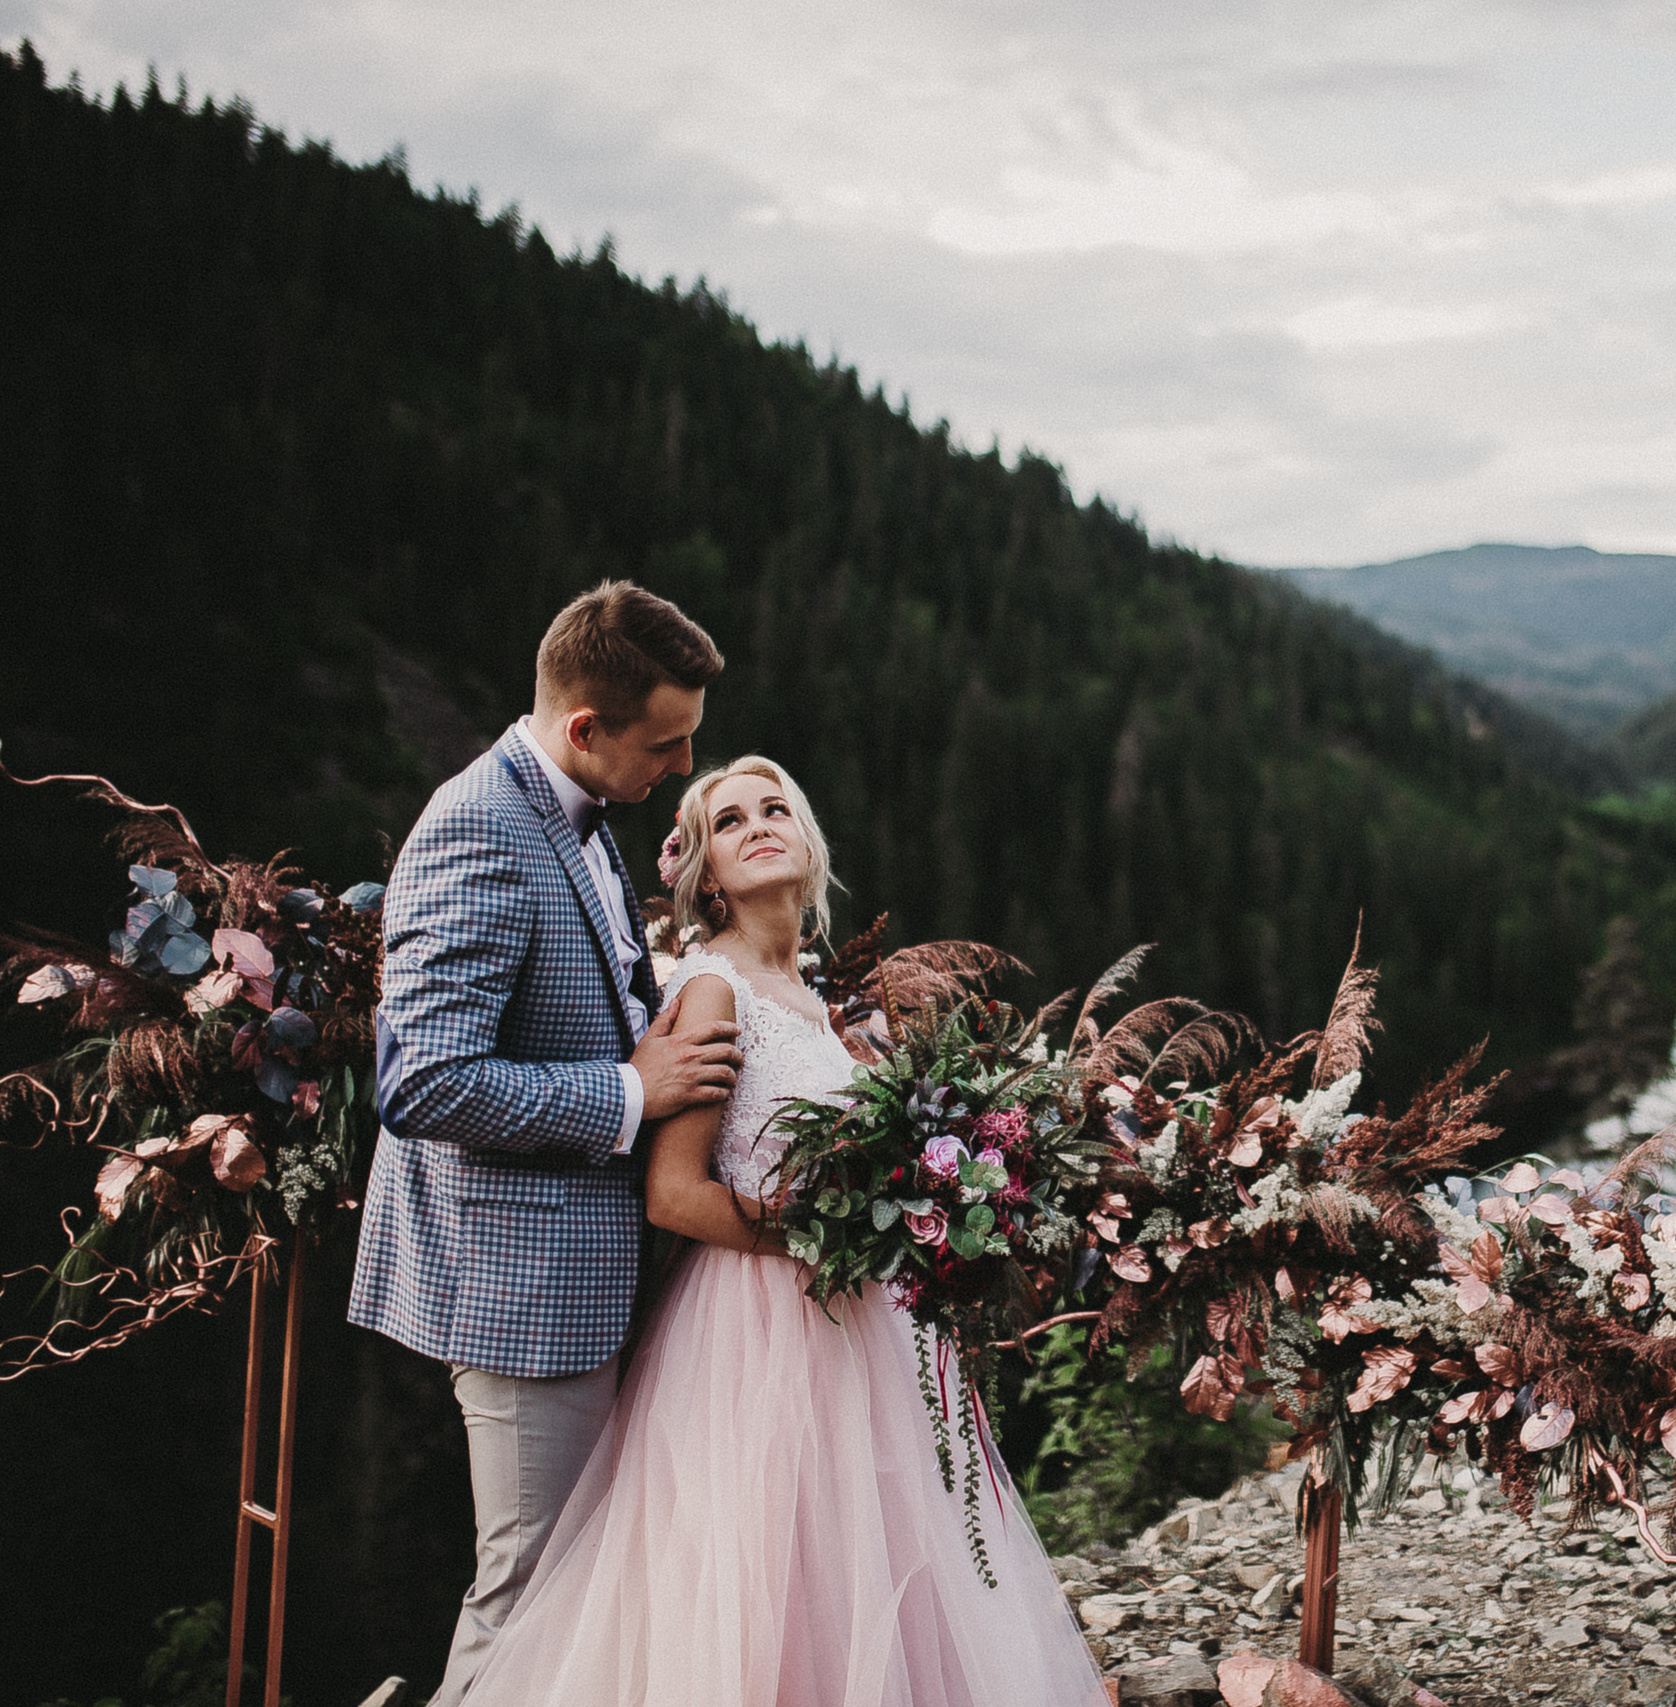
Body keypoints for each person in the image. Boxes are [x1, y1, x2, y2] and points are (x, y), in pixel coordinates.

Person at [456, 756, 1109, 1706]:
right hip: (752, 1327)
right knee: (761, 1574)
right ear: (707, 876)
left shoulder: (817, 1003)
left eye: (776, 809)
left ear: (809, 847)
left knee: (864, 1556)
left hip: (854, 1321)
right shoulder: (715, 989)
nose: (759, 824)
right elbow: (673, 1193)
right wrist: (814, 1237)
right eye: (729, 820)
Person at [349, 582, 743, 1707]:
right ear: (586, 728)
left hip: (582, 1272)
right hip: (520, 1293)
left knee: (572, 1585)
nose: (677, 769)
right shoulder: (478, 826)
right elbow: (425, 1079)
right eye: (664, 745)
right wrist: (630, 1090)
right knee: (531, 1589)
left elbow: (571, 986)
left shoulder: (566, 811)